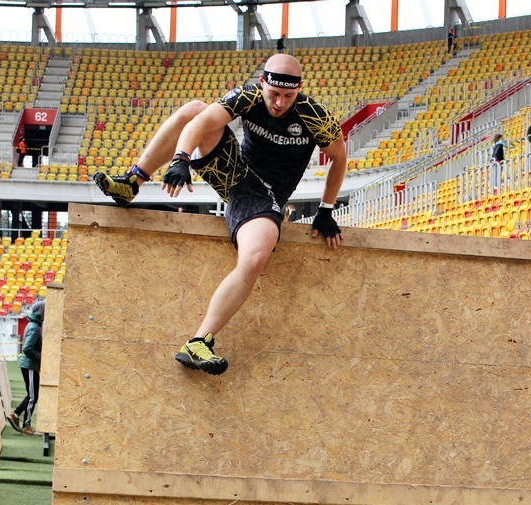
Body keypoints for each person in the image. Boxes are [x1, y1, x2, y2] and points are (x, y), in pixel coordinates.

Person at [93, 53, 347, 375]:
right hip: (234, 172)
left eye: (288, 96)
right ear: (263, 84)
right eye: (274, 94)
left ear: (299, 90)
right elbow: (200, 124)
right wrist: (181, 159)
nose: (280, 103)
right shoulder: (249, 96)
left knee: (256, 256)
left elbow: (339, 157)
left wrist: (326, 208)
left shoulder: (314, 116)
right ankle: (133, 181)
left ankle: (199, 341)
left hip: (266, 196)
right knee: (195, 109)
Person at [7, 299, 44, 436]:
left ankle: (16, 414)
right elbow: (27, 349)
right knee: (33, 396)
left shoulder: (32, 325)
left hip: (28, 365)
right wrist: (42, 357)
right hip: (29, 365)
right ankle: (26, 425)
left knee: (32, 395)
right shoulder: (34, 328)